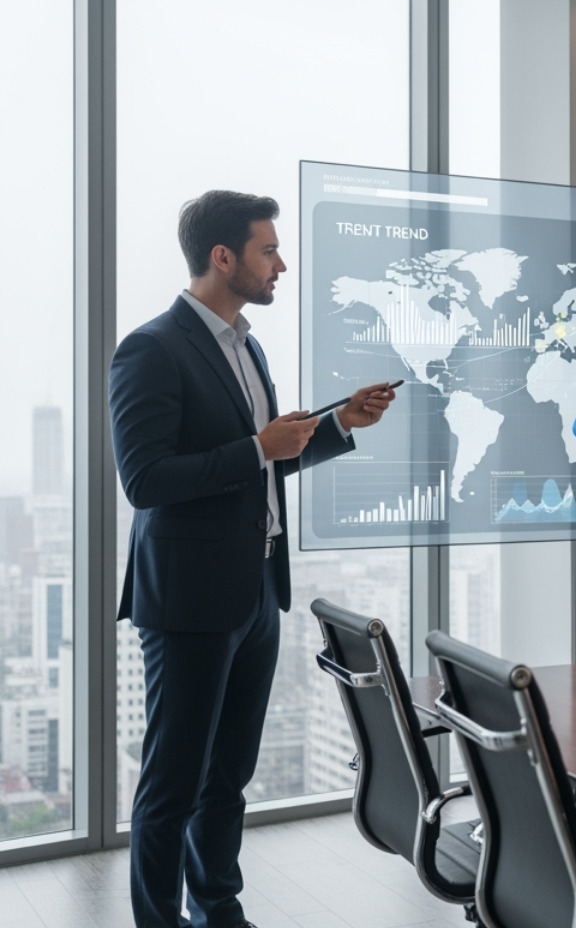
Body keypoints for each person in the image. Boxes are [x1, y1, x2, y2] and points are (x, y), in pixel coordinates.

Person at [111, 190, 399, 928]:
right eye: (268, 250)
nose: (281, 264)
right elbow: (145, 481)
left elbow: (262, 466)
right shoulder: (150, 348)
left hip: (254, 593)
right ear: (223, 256)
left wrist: (335, 423)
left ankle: (219, 911)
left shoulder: (247, 345)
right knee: (173, 783)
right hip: (186, 600)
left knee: (228, 778)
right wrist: (255, 447)